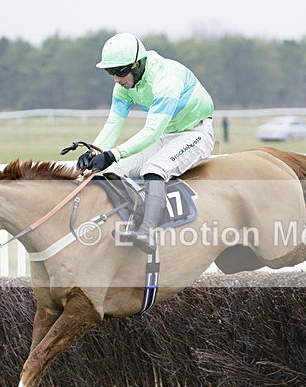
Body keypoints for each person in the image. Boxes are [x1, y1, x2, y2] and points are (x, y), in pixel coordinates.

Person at [77, 33, 215, 254]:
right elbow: (113, 123)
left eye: (120, 72)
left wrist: (112, 153)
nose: (116, 79)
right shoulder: (123, 86)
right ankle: (132, 218)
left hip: (195, 132)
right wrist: (94, 152)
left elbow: (151, 132)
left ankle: (147, 232)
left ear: (137, 64)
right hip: (165, 134)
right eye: (110, 73)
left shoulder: (165, 79)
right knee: (114, 170)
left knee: (153, 169)